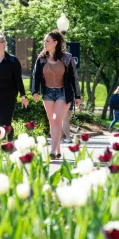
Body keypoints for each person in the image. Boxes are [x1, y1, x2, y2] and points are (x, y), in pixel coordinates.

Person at [32, 30, 81, 159]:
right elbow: (35, 76)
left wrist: (78, 96)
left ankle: (52, 151)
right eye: (44, 41)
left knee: (56, 119)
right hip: (47, 93)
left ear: (55, 42)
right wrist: (35, 91)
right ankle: (58, 150)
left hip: (63, 93)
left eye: (47, 41)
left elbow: (73, 78)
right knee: (52, 122)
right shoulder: (41, 59)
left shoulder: (67, 58)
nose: (45, 43)